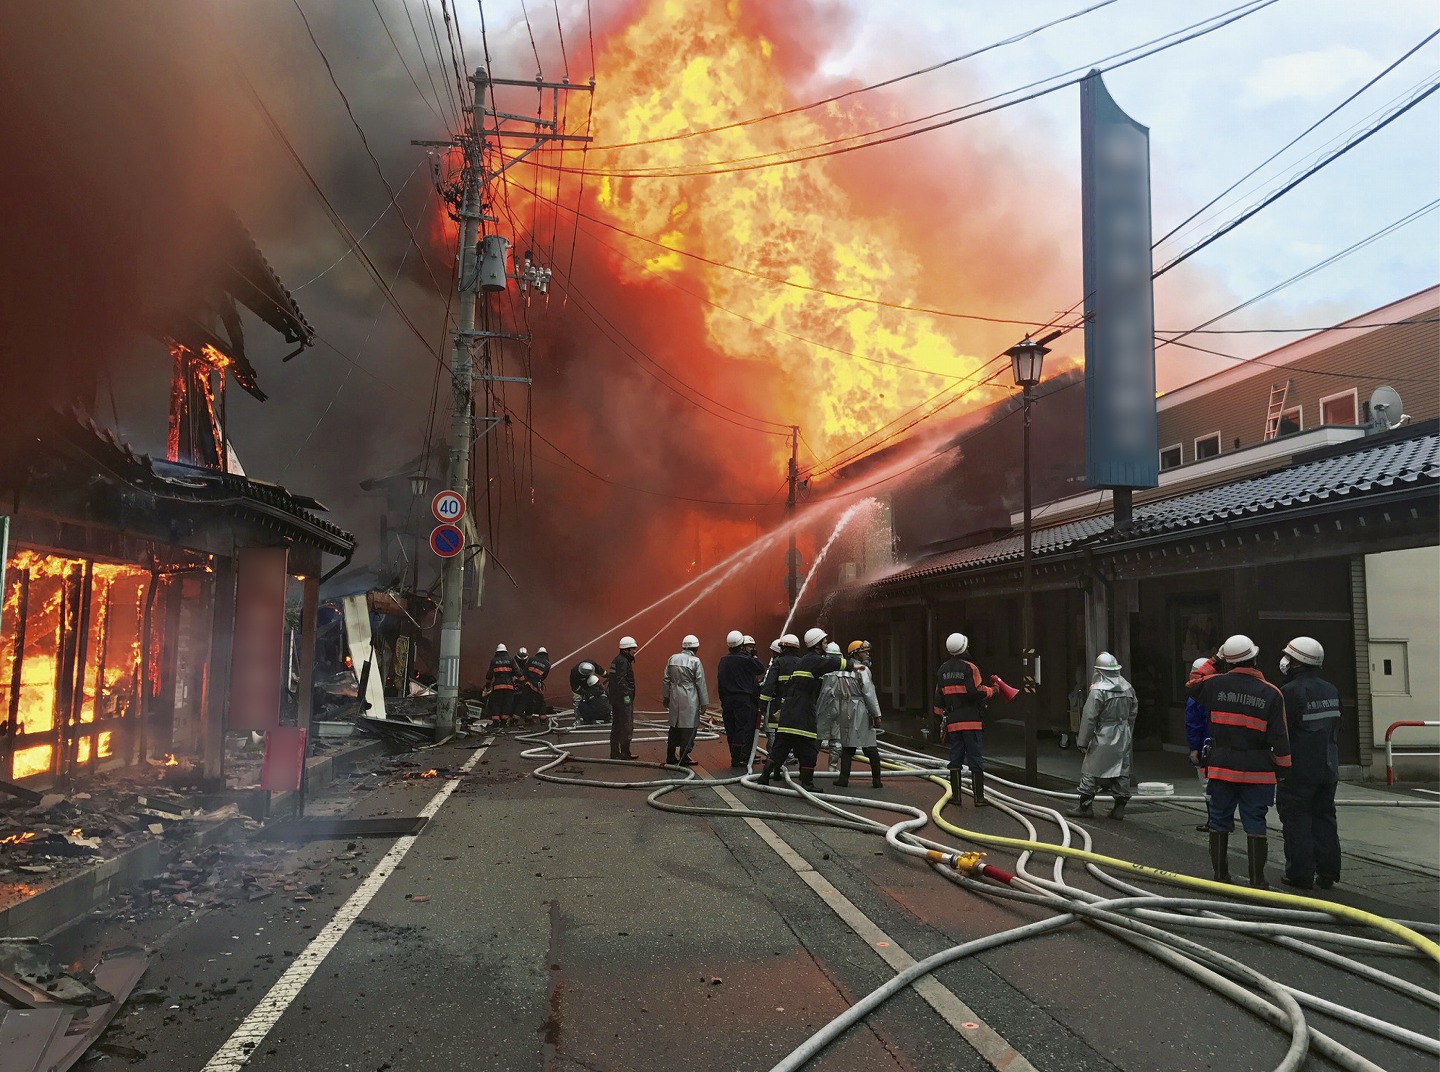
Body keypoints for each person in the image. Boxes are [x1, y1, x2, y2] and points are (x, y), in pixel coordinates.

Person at [1187, 634, 1292, 888]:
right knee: (1255, 821)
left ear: (1228, 661)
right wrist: (1283, 767)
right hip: (1258, 770)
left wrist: (1215, 658)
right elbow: (1280, 736)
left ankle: (1220, 876)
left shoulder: (1214, 685)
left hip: (1222, 767)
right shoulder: (1272, 693)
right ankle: (1257, 880)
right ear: (1254, 658)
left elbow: (1193, 683)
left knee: (1220, 818)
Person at [1275, 637, 1342, 890]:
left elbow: (1282, 733)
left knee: (1297, 820)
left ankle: (1300, 874)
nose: (1285, 661)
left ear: (1297, 662)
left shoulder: (1289, 693)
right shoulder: (1331, 690)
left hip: (1298, 771)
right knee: (1325, 818)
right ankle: (1328, 873)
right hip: (1328, 768)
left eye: (1288, 658)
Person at [758, 628, 845, 790]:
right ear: (818, 644)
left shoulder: (800, 662)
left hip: (788, 712)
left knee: (780, 747)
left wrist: (766, 707)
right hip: (803, 714)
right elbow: (832, 663)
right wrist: (852, 665)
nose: (826, 644)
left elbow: (778, 688)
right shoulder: (812, 660)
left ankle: (764, 776)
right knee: (808, 751)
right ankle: (807, 783)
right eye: (824, 642)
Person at [1067, 653, 1138, 820]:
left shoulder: (1098, 691)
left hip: (1103, 734)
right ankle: (1119, 808)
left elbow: (1089, 717)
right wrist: (1128, 733)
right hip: (1123, 732)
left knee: (1091, 769)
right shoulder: (1128, 688)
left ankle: (1085, 807)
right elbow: (1133, 713)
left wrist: (1082, 741)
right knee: (1121, 770)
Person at [933, 632, 997, 808]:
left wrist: (939, 717)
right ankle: (979, 798)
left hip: (953, 722)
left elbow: (939, 697)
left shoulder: (942, 669)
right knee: (975, 757)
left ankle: (956, 797)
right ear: (964, 647)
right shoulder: (970, 668)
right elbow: (975, 691)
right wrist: (992, 691)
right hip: (971, 720)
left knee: (955, 757)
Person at [816, 641, 884, 789]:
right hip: (861, 709)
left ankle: (843, 778)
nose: (867, 654)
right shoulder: (862, 669)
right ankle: (877, 780)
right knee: (870, 746)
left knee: (847, 746)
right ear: (855, 653)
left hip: (844, 709)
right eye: (864, 651)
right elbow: (869, 693)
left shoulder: (841, 670)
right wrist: (876, 715)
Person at [718, 630, 765, 769]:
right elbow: (760, 669)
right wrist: (754, 656)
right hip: (742, 699)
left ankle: (734, 756)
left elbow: (720, 681)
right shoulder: (746, 660)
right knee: (741, 729)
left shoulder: (723, 661)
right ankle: (737, 759)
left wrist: (722, 699)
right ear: (741, 645)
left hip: (727, 700)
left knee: (730, 728)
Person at [662, 635, 708, 766]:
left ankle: (670, 756)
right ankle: (684, 756)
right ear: (696, 647)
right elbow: (700, 683)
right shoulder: (695, 661)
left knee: (674, 726)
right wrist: (704, 702)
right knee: (689, 727)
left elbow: (666, 680)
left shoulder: (672, 658)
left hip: (675, 695)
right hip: (690, 696)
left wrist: (666, 697)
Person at [758, 634, 801, 755]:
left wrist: (763, 704)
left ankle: (775, 760)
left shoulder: (778, 663)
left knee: (778, 733)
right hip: (797, 706)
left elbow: (769, 685)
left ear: (783, 648)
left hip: (779, 706)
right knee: (793, 732)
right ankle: (791, 755)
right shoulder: (802, 662)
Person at [1184, 656, 1213, 831]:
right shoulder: (1220, 690)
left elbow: (1193, 724)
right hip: (1223, 746)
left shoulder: (1195, 696)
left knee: (1207, 784)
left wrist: (1194, 749)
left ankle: (1214, 821)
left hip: (1205, 747)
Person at [608, 637, 638, 760]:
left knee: (617, 725)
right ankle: (625, 753)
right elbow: (621, 681)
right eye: (633, 648)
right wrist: (627, 696)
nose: (635, 651)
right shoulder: (623, 662)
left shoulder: (617, 660)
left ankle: (615, 752)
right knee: (626, 725)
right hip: (622, 699)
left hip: (615, 698)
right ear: (626, 650)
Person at [484, 643, 519, 725]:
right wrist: (522, 681)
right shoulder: (511, 660)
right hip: (509, 687)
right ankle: (504, 722)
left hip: (497, 687)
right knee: (507, 704)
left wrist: (487, 687)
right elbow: (518, 672)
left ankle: (496, 722)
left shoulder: (493, 661)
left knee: (496, 703)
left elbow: (489, 675)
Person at [521, 646, 550, 721]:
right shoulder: (547, 664)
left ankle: (519, 718)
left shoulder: (531, 659)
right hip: (537, 685)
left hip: (527, 683)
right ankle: (543, 719)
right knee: (540, 701)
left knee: (524, 700)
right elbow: (544, 676)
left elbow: (525, 670)